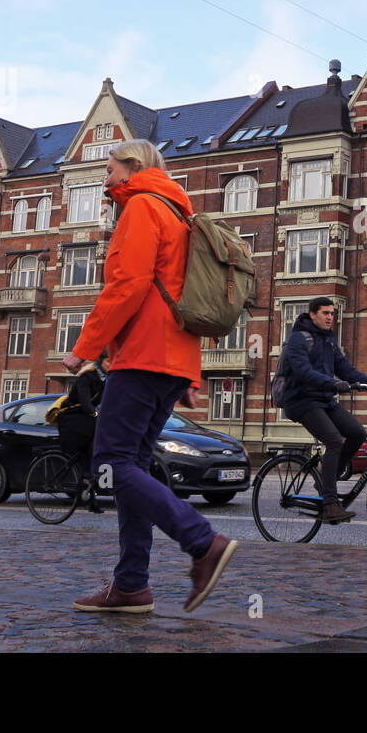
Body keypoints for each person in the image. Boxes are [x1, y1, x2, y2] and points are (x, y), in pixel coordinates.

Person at [65, 139, 236, 615]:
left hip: (142, 355)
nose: (105, 178)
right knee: (130, 469)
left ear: (133, 167)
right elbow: (183, 294)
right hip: (170, 357)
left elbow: (129, 285)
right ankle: (131, 585)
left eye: (109, 168)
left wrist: (84, 348)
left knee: (113, 462)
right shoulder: (179, 213)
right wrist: (185, 378)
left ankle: (203, 542)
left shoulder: (142, 206)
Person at [279, 297, 367, 525]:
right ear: (312, 314)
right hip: (301, 401)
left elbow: (347, 369)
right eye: (325, 313)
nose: (330, 317)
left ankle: (327, 481)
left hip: (324, 400)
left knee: (357, 433)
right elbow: (303, 371)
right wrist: (332, 383)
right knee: (334, 441)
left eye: (332, 314)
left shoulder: (329, 341)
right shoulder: (298, 339)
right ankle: (330, 505)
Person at [56, 351, 111, 514]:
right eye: (109, 361)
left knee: (90, 457)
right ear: (101, 362)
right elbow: (86, 402)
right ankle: (90, 475)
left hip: (85, 419)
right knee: (95, 435)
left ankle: (91, 495)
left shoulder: (105, 380)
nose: (111, 365)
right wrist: (95, 414)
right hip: (71, 418)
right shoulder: (86, 377)